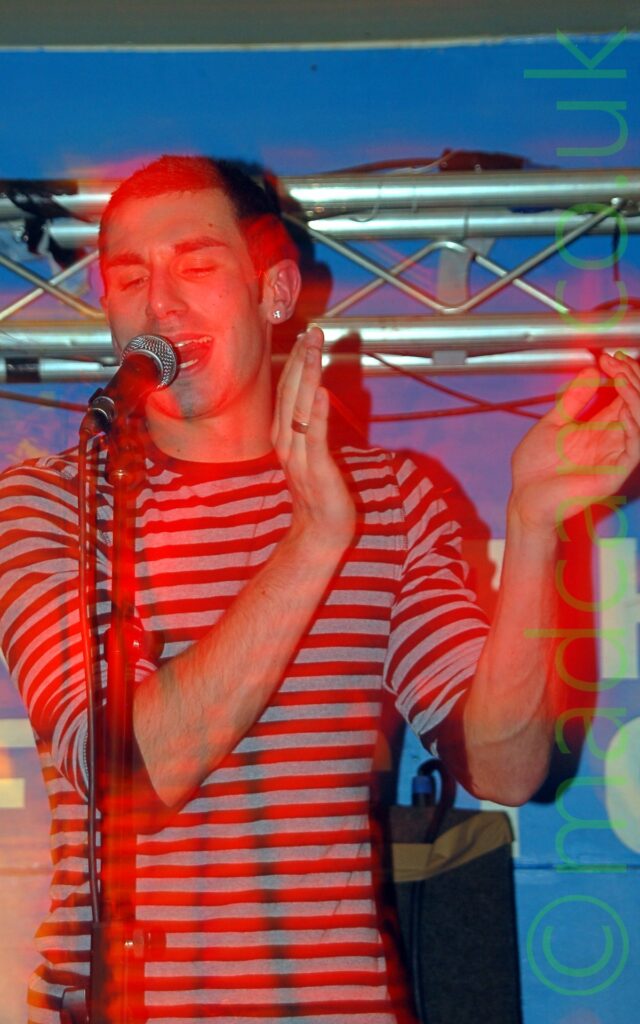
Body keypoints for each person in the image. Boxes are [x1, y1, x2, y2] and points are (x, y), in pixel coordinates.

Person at [0, 155, 639, 1024]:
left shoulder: (391, 498)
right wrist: (314, 543)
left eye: (196, 266)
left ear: (272, 292)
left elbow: (506, 766)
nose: (161, 304)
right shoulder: (47, 502)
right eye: (130, 278)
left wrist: (534, 527)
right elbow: (132, 776)